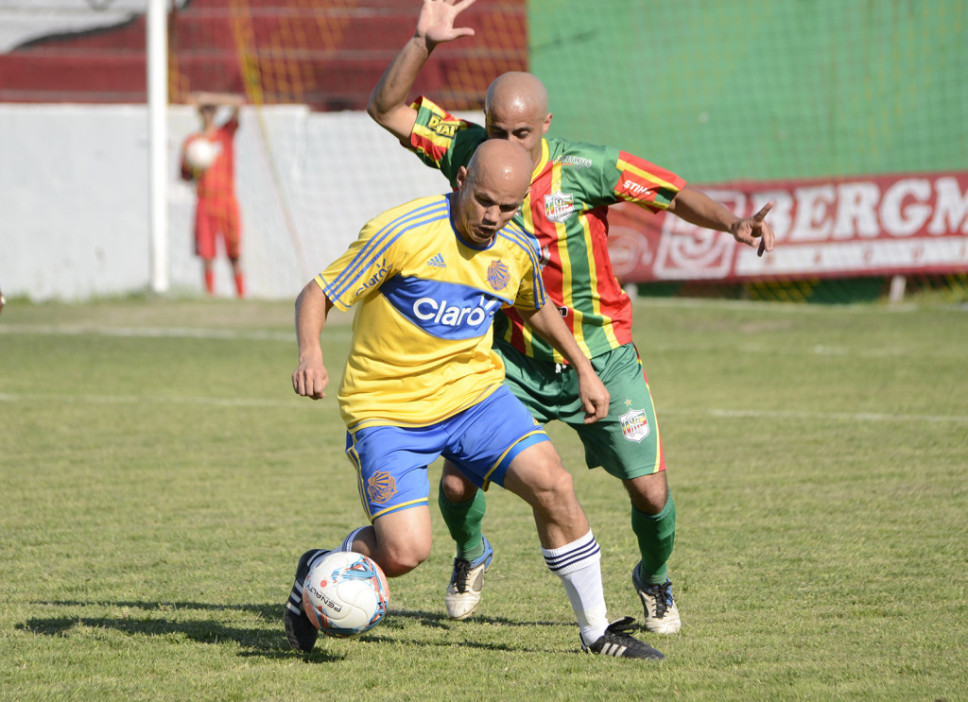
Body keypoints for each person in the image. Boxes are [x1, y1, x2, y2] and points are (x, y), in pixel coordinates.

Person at [366, 0, 777, 634]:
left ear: (546, 125)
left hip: (601, 354)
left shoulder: (588, 168)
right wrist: (422, 41)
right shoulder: (467, 153)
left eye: (522, 135)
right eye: (497, 130)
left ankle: (655, 578)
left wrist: (733, 224)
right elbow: (388, 108)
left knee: (651, 493)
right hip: (510, 359)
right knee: (455, 488)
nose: (508, 145)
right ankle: (470, 555)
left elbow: (672, 193)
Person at [284, 139, 664, 660]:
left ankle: (597, 632)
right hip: (388, 412)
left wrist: (582, 367)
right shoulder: (402, 233)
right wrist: (311, 354)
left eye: (508, 207)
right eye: (485, 201)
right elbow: (318, 292)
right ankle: (319, 570)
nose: (494, 217)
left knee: (554, 483)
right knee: (405, 552)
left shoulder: (515, 245)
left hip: (474, 400)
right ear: (459, 178)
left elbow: (534, 307)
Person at [179, 91, 246, 298]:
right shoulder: (192, 142)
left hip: (227, 199)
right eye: (205, 109)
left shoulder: (225, 134)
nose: (208, 113)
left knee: (234, 253)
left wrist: (209, 98)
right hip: (205, 201)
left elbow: (238, 104)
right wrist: (194, 167)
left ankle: (241, 296)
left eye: (212, 109)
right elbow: (184, 175)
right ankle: (210, 296)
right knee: (207, 253)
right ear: (199, 113)